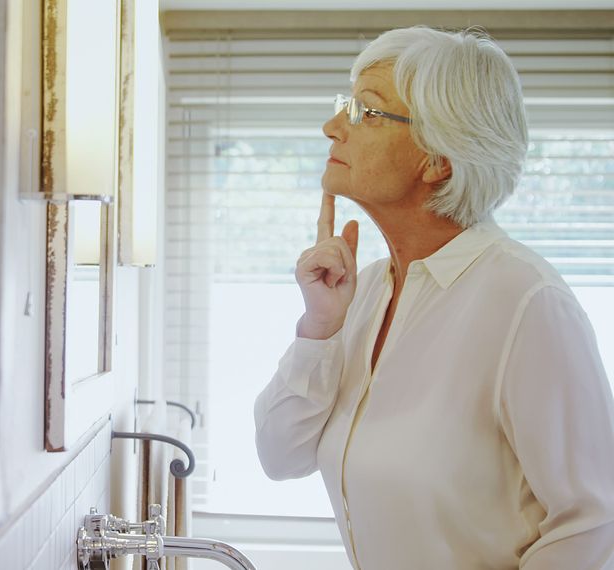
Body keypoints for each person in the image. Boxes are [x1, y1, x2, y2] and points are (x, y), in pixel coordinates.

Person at [254, 26, 614, 569]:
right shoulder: (364, 290)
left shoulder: (526, 302)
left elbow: (594, 524)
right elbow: (280, 457)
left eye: (365, 113)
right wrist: (321, 328)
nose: (332, 128)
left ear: (437, 159)